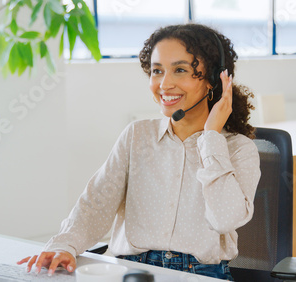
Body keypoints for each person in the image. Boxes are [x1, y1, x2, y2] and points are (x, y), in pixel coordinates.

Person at [18, 23, 261, 281]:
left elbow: (224, 219)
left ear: (213, 78)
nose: (164, 84)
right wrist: (63, 246)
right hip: (129, 270)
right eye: (157, 71)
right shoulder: (137, 136)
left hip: (201, 274)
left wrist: (212, 137)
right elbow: (94, 205)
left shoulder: (238, 149)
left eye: (180, 70)